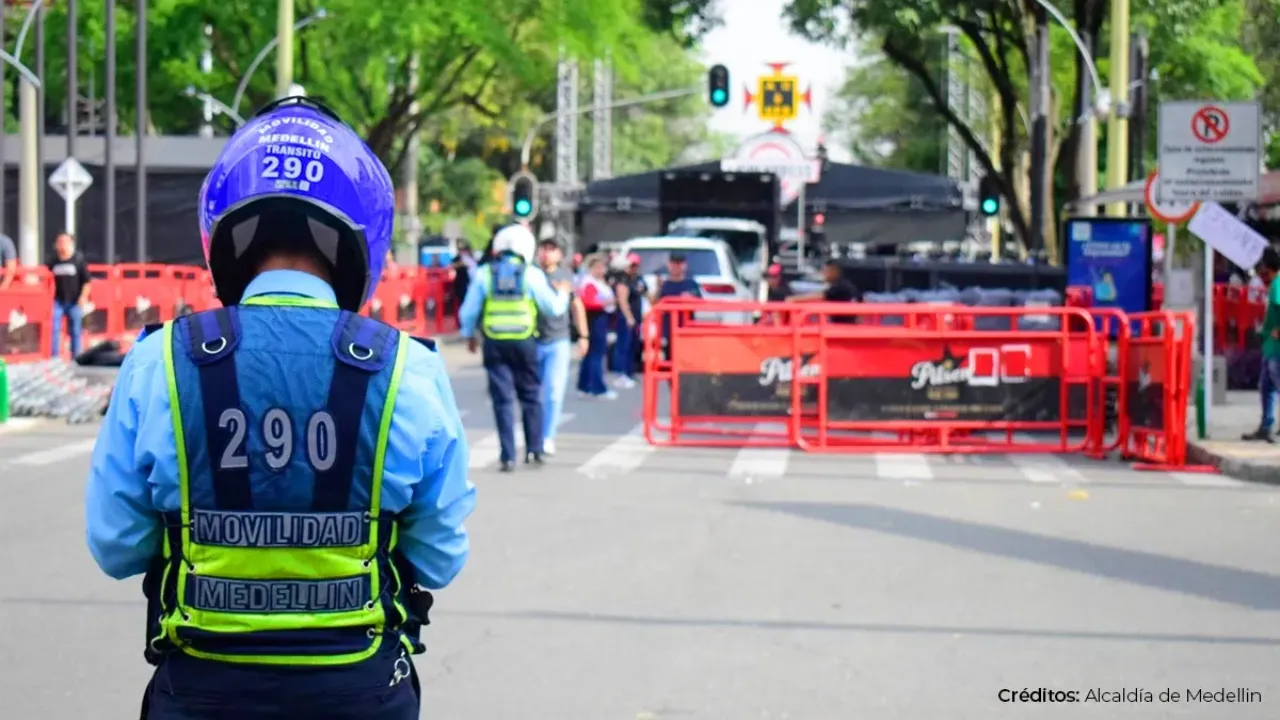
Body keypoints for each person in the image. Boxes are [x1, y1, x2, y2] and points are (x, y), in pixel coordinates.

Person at [84, 96, 476, 719]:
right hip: (360, 689)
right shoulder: (411, 370)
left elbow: (117, 546)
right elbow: (438, 558)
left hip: (202, 691)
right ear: (364, 235)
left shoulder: (158, 363)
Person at [459, 223, 570, 471]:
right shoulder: (531, 274)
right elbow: (552, 308)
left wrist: (469, 336)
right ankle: (534, 450)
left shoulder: (485, 273)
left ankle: (507, 455)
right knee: (531, 396)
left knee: (503, 400)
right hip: (524, 342)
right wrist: (563, 295)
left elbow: (468, 312)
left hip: (494, 344)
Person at [536, 237, 589, 455]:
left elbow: (577, 306)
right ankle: (535, 432)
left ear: (559, 254)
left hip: (558, 340)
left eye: (552, 249)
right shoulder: (532, 275)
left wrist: (584, 335)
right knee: (534, 394)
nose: (547, 254)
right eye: (544, 249)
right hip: (533, 339)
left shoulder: (565, 276)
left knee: (554, 392)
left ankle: (548, 436)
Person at [1244, 248, 1280, 442]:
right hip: (1269, 346)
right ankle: (1266, 426)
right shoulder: (1274, 284)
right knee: (1266, 387)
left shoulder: (1277, 285)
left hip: (1276, 348)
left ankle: (1269, 427)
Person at [576, 255, 616, 399]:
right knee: (596, 355)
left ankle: (584, 385)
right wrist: (606, 303)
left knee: (591, 355)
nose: (601, 270)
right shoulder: (590, 283)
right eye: (598, 267)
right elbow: (588, 302)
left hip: (599, 318)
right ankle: (597, 388)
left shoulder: (598, 282)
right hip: (595, 319)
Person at [48, 232, 91, 357]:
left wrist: (83, 297)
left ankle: (76, 356)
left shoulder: (78, 260)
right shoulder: (53, 262)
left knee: (75, 331)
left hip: (74, 301)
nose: (61, 245)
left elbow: (87, 281)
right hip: (59, 301)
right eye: (59, 242)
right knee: (55, 328)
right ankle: (54, 356)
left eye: (64, 242)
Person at [610, 252, 645, 388]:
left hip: (637, 317)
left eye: (635, 265)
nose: (633, 268)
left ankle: (630, 372)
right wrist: (629, 317)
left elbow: (646, 294)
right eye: (631, 265)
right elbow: (622, 301)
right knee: (624, 344)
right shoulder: (623, 281)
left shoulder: (638, 279)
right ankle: (621, 373)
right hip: (626, 318)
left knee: (633, 345)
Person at [787, 259, 859, 322]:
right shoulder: (846, 285)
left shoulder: (841, 287)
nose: (824, 274)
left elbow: (820, 296)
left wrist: (793, 299)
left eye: (826, 271)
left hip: (843, 327)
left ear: (834, 271)